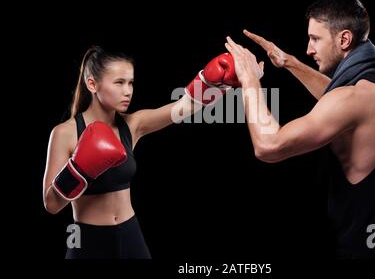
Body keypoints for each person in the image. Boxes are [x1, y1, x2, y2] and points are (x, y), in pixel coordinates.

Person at [224, 0, 375, 258]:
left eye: (315, 39)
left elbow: (268, 145)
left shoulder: (352, 99)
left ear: (344, 39)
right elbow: (337, 98)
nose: (308, 49)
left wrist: (250, 80)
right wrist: (289, 63)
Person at [43, 45, 240, 258]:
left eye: (130, 83)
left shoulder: (133, 124)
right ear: (92, 84)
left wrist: (214, 81)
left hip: (130, 233)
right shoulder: (64, 133)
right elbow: (51, 205)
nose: (128, 91)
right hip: (87, 238)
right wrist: (79, 169)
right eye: (119, 83)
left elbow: (186, 107)